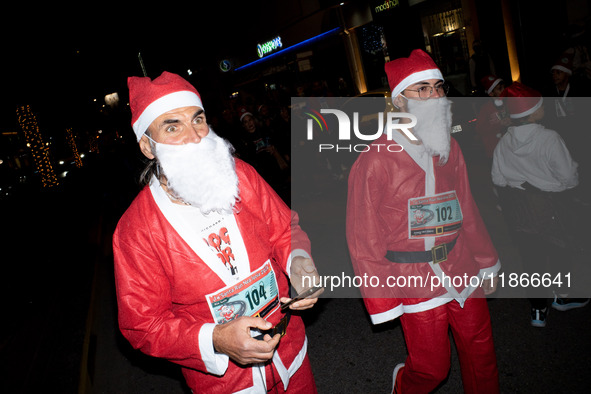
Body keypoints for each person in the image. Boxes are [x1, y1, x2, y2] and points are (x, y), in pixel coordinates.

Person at [113, 71, 321, 393]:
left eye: (198, 120)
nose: (195, 136)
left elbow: (284, 229)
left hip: (290, 349)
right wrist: (216, 340)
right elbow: (142, 325)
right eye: (172, 126)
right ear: (147, 146)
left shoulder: (242, 176)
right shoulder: (136, 229)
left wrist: (299, 261)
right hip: (226, 383)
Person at [346, 49, 501, 393]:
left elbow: (467, 208)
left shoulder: (450, 148)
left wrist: (486, 262)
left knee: (482, 354)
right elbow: (364, 239)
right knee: (432, 369)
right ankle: (403, 384)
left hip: (461, 264)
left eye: (438, 87)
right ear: (399, 100)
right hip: (412, 277)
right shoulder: (374, 161)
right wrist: (382, 299)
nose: (435, 96)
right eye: (423, 89)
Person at [491, 82, 587, 327]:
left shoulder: (503, 143)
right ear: (533, 112)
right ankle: (563, 297)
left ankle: (537, 310)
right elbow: (569, 178)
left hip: (520, 213)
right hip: (551, 207)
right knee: (559, 250)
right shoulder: (548, 138)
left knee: (531, 259)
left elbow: (498, 179)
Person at [475, 75, 511, 159]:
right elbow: (479, 129)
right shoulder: (486, 108)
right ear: (491, 93)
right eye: (499, 89)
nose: (504, 90)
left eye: (504, 87)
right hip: (494, 149)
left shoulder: (508, 104)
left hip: (508, 147)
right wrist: (498, 125)